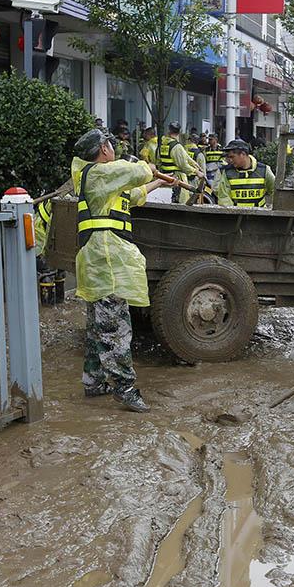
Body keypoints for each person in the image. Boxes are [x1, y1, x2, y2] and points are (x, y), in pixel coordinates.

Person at [72, 129, 174, 412]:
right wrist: (149, 167)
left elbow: (134, 193)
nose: (113, 149)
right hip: (106, 264)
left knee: (98, 326)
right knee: (116, 328)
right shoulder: (98, 173)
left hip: (102, 264)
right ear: (103, 149)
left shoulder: (105, 181)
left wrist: (159, 182)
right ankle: (125, 388)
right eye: (110, 145)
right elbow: (136, 172)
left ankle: (94, 381)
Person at [215, 139, 275, 208]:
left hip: (259, 216)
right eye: (228, 157)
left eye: (232, 157)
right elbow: (224, 198)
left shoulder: (264, 170)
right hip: (235, 216)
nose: (230, 160)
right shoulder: (227, 172)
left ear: (243, 154)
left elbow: (275, 191)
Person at [156, 122, 202, 203]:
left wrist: (194, 164)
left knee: (166, 202)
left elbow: (158, 162)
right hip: (177, 180)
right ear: (179, 132)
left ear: (169, 130)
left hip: (165, 178)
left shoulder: (162, 145)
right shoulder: (176, 146)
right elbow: (183, 165)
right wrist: (196, 171)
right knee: (180, 203)